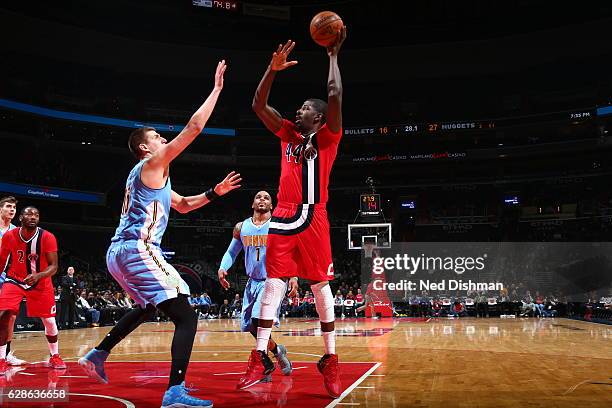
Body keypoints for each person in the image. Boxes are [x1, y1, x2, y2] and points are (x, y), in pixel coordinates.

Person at [78, 60, 240, 408]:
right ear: (145, 148)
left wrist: (214, 193)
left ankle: (97, 353)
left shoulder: (157, 177)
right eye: (156, 137)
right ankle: (173, 392)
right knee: (187, 315)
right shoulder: (151, 165)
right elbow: (194, 128)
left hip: (120, 252)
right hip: (137, 248)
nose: (163, 139)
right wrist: (216, 90)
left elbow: (182, 205)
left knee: (148, 305)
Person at [239, 27, 347, 398]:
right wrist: (272, 69)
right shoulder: (287, 134)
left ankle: (330, 359)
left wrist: (332, 56)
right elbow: (257, 104)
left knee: (320, 286)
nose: (297, 111)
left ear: (318, 118)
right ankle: (258, 356)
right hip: (285, 215)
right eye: (298, 108)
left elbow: (334, 94)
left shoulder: (329, 135)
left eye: (304, 109)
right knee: (274, 283)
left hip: (313, 216)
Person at [217, 191, 294, 383]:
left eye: (266, 198)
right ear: (253, 203)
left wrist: (293, 276)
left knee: (259, 318)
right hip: (252, 282)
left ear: (271, 206)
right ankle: (275, 352)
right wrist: (222, 267)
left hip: (273, 280)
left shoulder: (276, 225)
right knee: (251, 325)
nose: (262, 199)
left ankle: (262, 363)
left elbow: (288, 252)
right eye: (258, 197)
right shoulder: (241, 227)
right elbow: (231, 252)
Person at [0, 206, 65, 374]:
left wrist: (38, 276)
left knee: (49, 321)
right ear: (20, 218)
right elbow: (1, 261)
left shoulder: (47, 237)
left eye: (36, 214)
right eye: (29, 214)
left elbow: (54, 266)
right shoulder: (9, 236)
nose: (33, 217)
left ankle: (55, 355)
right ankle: (1, 359)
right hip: (14, 280)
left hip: (40, 282)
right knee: (5, 315)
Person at [0, 196, 26, 366]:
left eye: (14, 208)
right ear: (0, 209)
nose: (12, 210)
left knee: (10, 317)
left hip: (8, 278)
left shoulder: (16, 230)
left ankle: (6, 354)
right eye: (8, 206)